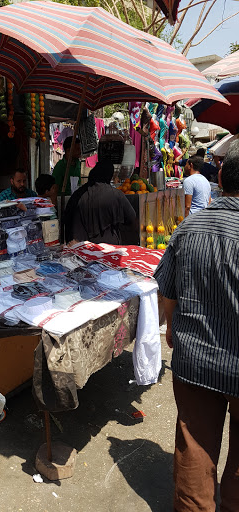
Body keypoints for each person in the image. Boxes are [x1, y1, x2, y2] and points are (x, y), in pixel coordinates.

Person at [153, 140, 239, 512]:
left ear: (219, 176)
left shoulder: (189, 229)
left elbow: (167, 292)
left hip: (195, 361)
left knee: (195, 449)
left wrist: (172, 328)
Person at [64, 159, 136, 244]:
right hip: (110, 246)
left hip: (83, 246)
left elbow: (68, 219)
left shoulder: (79, 194)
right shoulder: (116, 194)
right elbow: (131, 217)